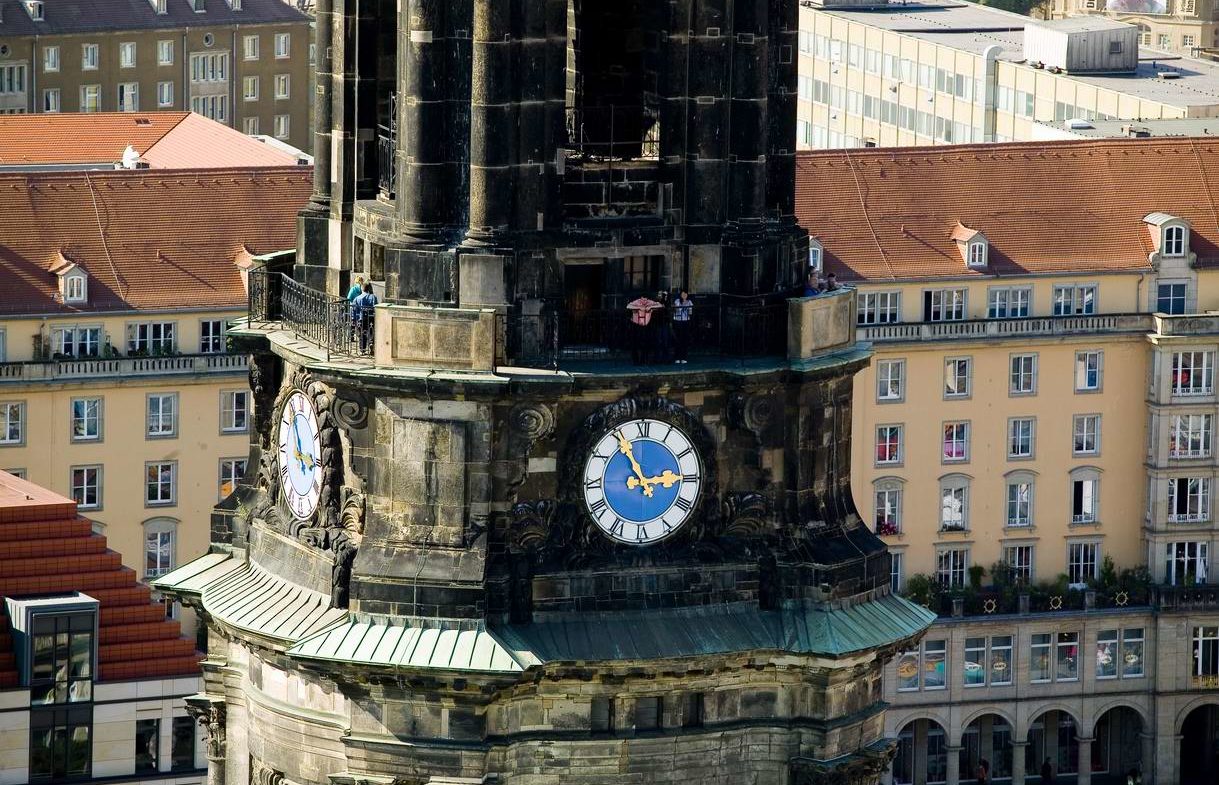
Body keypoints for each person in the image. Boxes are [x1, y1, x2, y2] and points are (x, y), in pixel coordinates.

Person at [626, 293, 663, 365]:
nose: (644, 301)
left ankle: (643, 360)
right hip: (636, 325)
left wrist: (651, 307)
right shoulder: (637, 302)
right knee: (635, 343)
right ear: (641, 298)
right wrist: (638, 308)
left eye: (645, 299)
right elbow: (628, 306)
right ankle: (635, 361)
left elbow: (659, 305)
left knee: (645, 343)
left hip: (646, 325)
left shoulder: (649, 302)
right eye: (643, 299)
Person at [353, 282, 378, 354]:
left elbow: (354, 309)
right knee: (371, 332)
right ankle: (371, 344)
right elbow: (375, 307)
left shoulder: (357, 298)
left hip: (361, 318)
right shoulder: (373, 297)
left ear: (362, 289)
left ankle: (362, 349)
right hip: (371, 317)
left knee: (362, 333)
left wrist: (353, 318)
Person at [672, 290, 693, 364]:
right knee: (678, 339)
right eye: (683, 294)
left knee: (684, 339)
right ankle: (677, 357)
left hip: (685, 321)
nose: (684, 295)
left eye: (685, 294)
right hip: (678, 321)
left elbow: (690, 312)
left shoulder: (689, 302)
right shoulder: (677, 301)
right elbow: (675, 310)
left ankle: (684, 357)